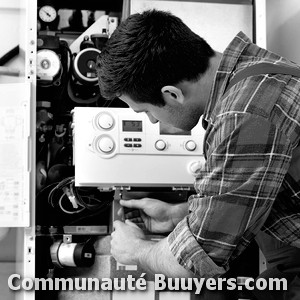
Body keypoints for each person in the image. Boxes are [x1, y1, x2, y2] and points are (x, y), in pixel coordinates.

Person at [96, 9, 300, 298]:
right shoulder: (256, 70)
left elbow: (198, 259)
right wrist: (179, 215)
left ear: (172, 94)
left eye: (145, 111)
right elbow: (253, 191)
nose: (152, 121)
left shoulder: (245, 115)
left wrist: (136, 250)